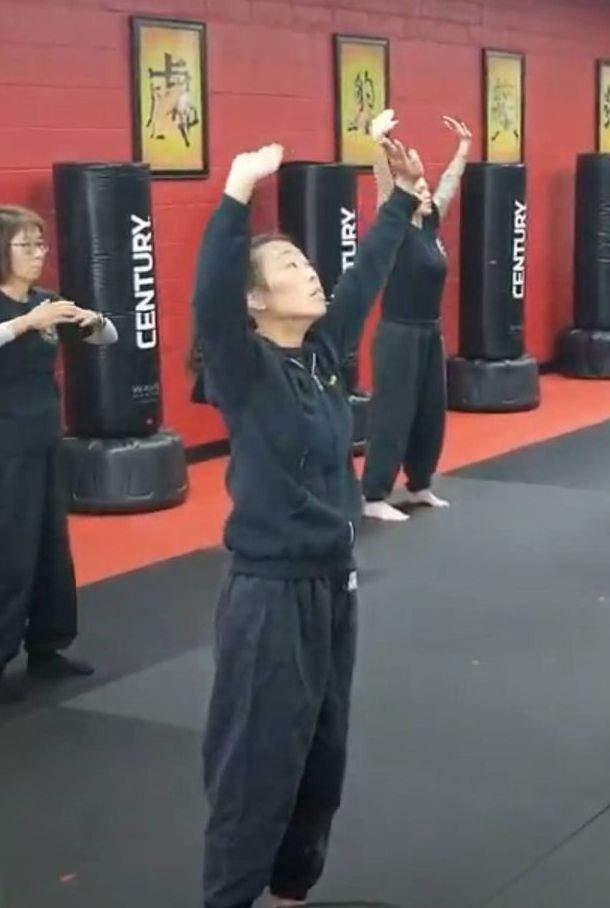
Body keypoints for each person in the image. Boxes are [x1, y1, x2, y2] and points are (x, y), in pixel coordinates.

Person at [191, 137, 424, 908]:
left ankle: (292, 890)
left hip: (334, 585)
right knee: (256, 765)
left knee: (322, 757)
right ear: (255, 300)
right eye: (288, 266)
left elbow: (366, 276)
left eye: (304, 260)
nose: (309, 271)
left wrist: (401, 199)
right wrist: (235, 196)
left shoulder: (322, 353)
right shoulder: (241, 366)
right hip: (269, 595)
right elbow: (209, 298)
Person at [0, 205, 117, 704]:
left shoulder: (48, 303)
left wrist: (93, 320)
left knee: (51, 546)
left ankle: (48, 646)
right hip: (6, 446)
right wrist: (28, 321)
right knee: (11, 552)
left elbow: (107, 338)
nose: (36, 255)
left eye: (40, 245)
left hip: (46, 437)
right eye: (25, 245)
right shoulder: (23, 312)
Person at [362, 110, 472, 522]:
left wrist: (463, 148)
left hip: (429, 333)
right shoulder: (396, 230)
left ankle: (420, 483)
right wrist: (377, 144)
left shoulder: (431, 228)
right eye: (419, 187)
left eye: (427, 187)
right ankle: (373, 494)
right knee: (393, 412)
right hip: (398, 334)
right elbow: (385, 184)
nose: (426, 192)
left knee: (430, 411)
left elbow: (449, 185)